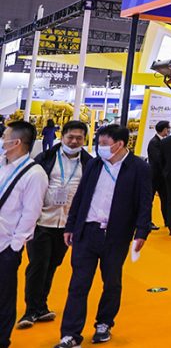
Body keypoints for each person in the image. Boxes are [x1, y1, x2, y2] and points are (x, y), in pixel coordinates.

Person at [56, 124, 152, 348]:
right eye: (99, 143)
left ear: (119, 144)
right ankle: (70, 334)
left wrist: (142, 231)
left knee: (111, 282)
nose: (100, 147)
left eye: (105, 144)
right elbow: (81, 196)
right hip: (87, 232)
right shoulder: (94, 164)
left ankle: (104, 323)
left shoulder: (139, 168)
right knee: (78, 284)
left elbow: (144, 201)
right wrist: (71, 226)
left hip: (116, 235)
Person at [18, 121, 91, 331]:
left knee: (52, 264)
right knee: (37, 265)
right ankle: (31, 310)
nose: (74, 141)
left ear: (84, 139)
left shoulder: (89, 163)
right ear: (62, 136)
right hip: (41, 221)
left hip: (67, 225)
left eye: (79, 138)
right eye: (70, 137)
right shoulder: (45, 158)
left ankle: (41, 306)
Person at [0, 121, 48, 348]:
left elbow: (31, 213)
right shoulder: (3, 164)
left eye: (5, 136)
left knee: (3, 298)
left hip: (6, 246)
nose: (2, 140)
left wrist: (15, 247)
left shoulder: (35, 174)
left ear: (16, 142)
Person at [146, 121, 171, 231]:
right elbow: (157, 160)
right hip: (154, 176)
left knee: (166, 199)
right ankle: (147, 222)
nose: (169, 130)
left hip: (162, 177)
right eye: (168, 128)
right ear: (164, 129)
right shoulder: (154, 142)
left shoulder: (162, 141)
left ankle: (168, 220)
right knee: (149, 200)